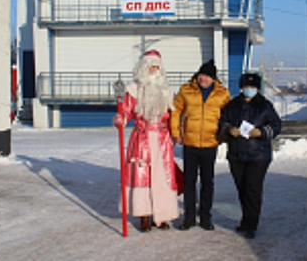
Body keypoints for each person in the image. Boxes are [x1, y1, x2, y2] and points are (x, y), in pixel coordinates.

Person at [112, 50, 179, 232]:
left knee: (162, 178)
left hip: (162, 141)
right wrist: (121, 118)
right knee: (142, 177)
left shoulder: (167, 91)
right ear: (143, 67)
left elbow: (174, 116)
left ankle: (163, 215)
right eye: (150, 66)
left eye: (156, 66)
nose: (153, 69)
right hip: (141, 139)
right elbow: (126, 112)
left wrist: (176, 133)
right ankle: (144, 216)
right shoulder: (133, 90)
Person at [170, 59, 231, 231]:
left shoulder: (222, 94)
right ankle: (189, 217)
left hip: (210, 143)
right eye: (201, 75)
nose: (203, 79)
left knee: (207, 182)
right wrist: (176, 133)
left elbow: (228, 116)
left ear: (213, 79)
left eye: (207, 76)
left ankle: (205, 217)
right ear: (197, 75)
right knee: (189, 181)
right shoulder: (186, 90)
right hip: (190, 143)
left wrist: (224, 134)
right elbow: (176, 112)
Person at [219, 73, 281, 239]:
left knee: (252, 189)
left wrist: (261, 132)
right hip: (236, 154)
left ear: (258, 88)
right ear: (241, 87)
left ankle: (251, 224)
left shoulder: (265, 106)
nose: (249, 90)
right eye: (247, 86)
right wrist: (228, 129)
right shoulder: (232, 105)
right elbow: (222, 122)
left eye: (253, 87)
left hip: (258, 155)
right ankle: (246, 219)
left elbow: (276, 126)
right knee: (242, 189)